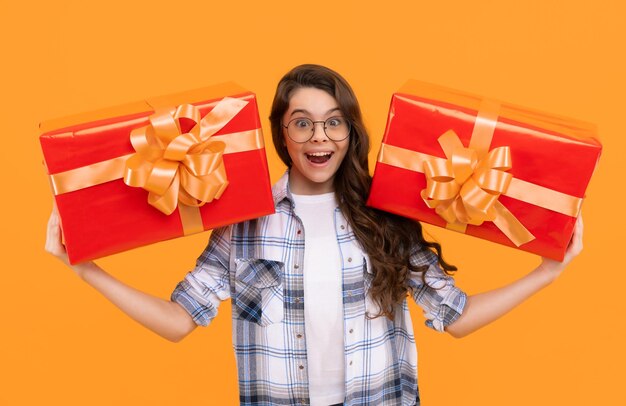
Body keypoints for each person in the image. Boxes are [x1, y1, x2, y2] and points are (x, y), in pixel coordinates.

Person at [46, 64, 583, 406]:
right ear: (281, 133)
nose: (318, 136)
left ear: (351, 132)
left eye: (334, 122)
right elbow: (178, 321)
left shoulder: (386, 216)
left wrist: (547, 272)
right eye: (301, 122)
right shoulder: (245, 221)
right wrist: (86, 267)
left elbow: (456, 317)